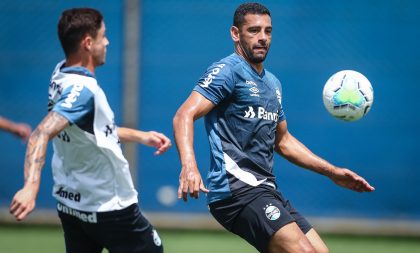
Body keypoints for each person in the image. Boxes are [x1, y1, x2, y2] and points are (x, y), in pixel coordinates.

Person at [173, 2, 374, 253]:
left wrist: (331, 172)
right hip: (236, 191)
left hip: (266, 190)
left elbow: (284, 141)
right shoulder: (227, 72)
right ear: (235, 33)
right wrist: (189, 165)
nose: (262, 38)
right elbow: (184, 114)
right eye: (254, 31)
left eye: (268, 31)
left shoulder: (273, 84)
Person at [9, 8, 170, 253]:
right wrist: (31, 187)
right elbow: (40, 134)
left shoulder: (60, 72)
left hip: (70, 204)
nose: (107, 42)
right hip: (109, 206)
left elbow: (89, 130)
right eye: (102, 36)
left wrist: (141, 136)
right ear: (87, 43)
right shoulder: (83, 90)